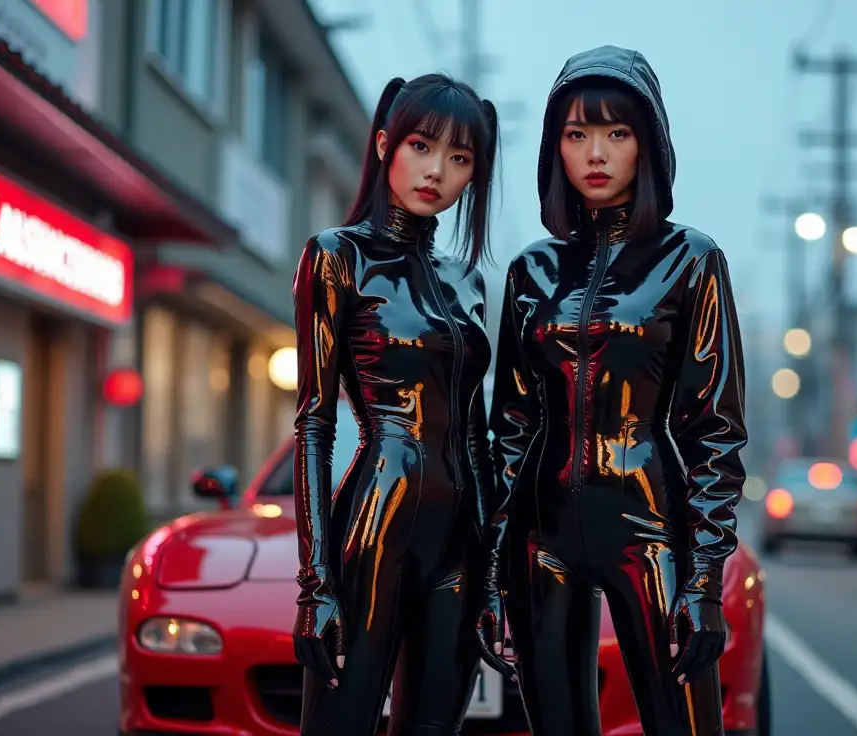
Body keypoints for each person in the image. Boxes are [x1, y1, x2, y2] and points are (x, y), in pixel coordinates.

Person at [485, 46, 748, 736]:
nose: (595, 153)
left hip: (651, 530)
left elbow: (714, 429)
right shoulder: (530, 271)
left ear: (649, 144)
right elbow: (508, 429)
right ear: (555, 149)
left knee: (683, 724)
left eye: (616, 133)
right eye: (576, 135)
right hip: (539, 539)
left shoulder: (691, 260)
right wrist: (491, 570)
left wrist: (703, 578)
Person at [291, 73, 511, 736]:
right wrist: (316, 584)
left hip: (459, 547)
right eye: (421, 146)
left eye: (460, 157)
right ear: (386, 144)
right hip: (374, 529)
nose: (436, 170)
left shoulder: (466, 280)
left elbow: (476, 440)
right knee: (342, 723)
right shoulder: (337, 257)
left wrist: (495, 575)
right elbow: (314, 426)